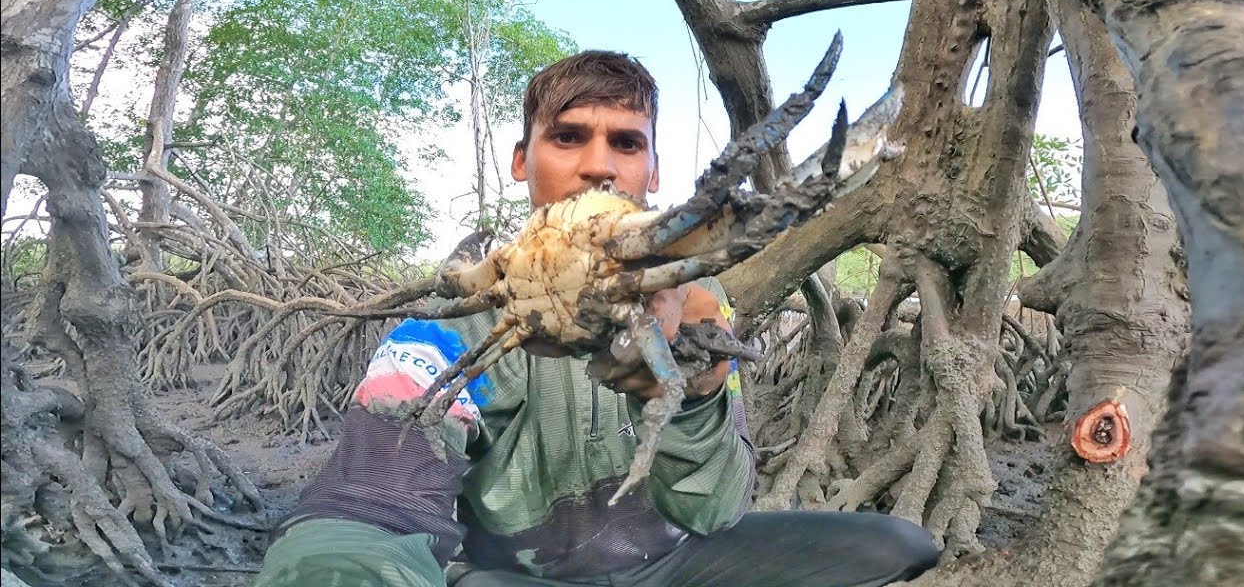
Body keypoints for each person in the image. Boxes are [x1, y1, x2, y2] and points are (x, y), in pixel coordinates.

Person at [256, 51, 939, 587]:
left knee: (894, 546)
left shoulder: (699, 304)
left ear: (655, 173)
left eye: (627, 144)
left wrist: (699, 390)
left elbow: (711, 511)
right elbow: (369, 504)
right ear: (523, 161)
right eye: (568, 137)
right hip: (516, 577)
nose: (598, 167)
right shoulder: (447, 327)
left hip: (668, 565)